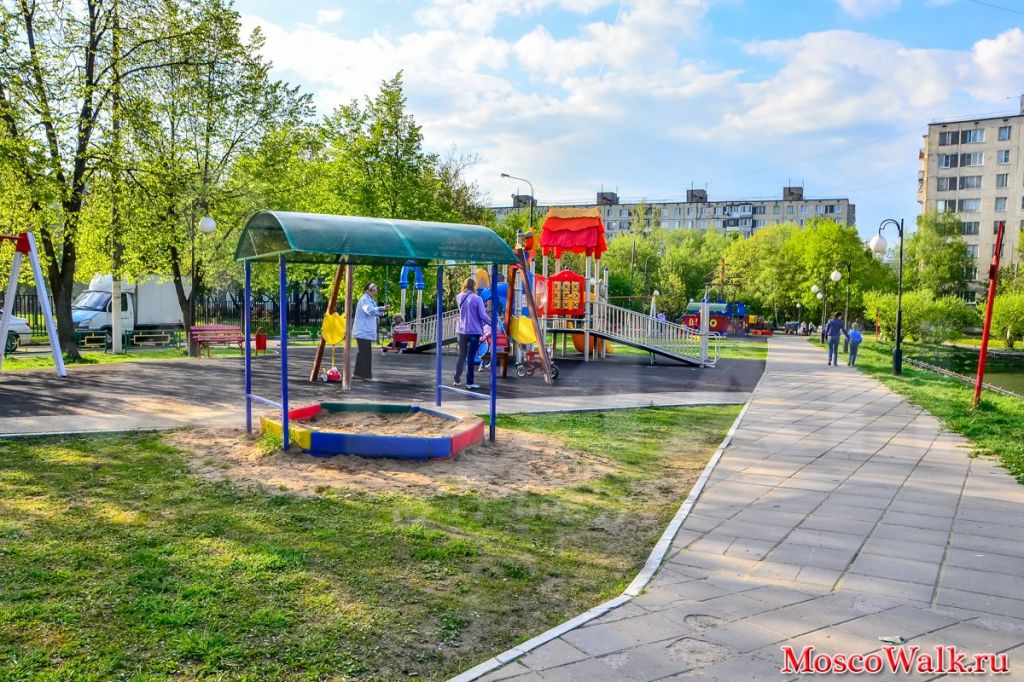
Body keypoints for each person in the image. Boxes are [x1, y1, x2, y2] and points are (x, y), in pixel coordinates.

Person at [454, 277, 490, 389]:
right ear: (474, 286)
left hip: (461, 331)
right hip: (474, 331)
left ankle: (457, 379)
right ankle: (469, 383)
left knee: (461, 356)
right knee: (470, 357)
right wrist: (492, 324)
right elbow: (483, 315)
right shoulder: (477, 299)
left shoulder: (459, 297)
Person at [353, 283, 389, 380]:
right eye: (374, 289)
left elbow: (375, 312)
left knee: (362, 353)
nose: (376, 291)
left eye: (376, 289)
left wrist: (383, 310)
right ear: (367, 290)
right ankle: (366, 376)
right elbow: (369, 310)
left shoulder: (371, 300)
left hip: (365, 331)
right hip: (363, 331)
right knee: (366, 353)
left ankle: (357, 374)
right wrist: (382, 308)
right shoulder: (364, 300)